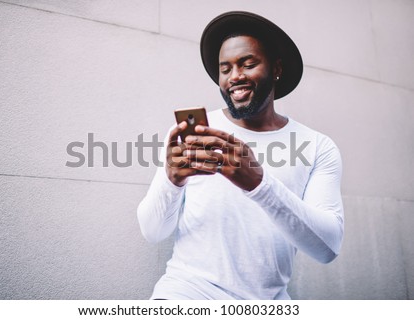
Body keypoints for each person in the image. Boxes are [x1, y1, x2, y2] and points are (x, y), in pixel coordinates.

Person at [137, 11, 344, 300]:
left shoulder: (317, 146)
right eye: (225, 69)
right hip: (187, 294)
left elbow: (328, 248)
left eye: (248, 64)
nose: (235, 77)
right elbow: (152, 231)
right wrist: (171, 181)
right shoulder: (193, 133)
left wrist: (259, 184)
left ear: (276, 69)